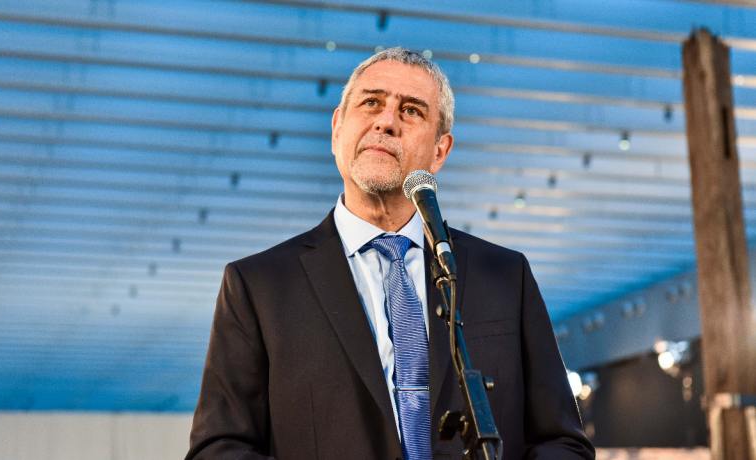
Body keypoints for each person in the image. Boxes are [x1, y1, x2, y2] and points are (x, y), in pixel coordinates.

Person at [186, 47, 595, 460]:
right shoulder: (259, 286)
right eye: (371, 103)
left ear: (440, 151)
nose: (386, 121)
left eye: (411, 111)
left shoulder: (506, 276)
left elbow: (563, 443)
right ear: (336, 129)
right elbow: (218, 450)